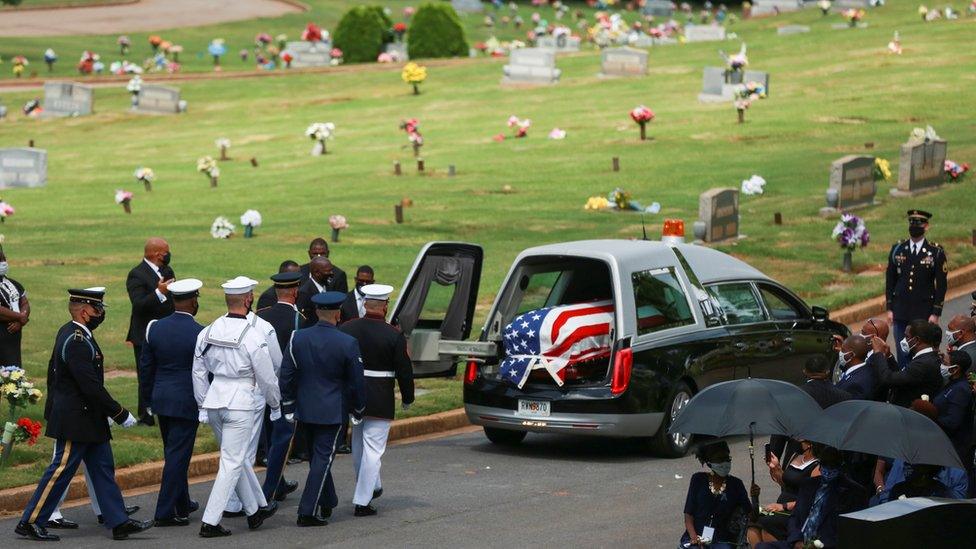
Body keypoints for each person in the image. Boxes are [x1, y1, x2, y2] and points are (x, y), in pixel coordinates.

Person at [16, 288, 153, 542]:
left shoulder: (74, 333)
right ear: (84, 311)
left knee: (102, 469)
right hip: (75, 420)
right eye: (97, 309)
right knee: (60, 471)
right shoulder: (77, 340)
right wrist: (119, 413)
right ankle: (31, 521)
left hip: (89, 420)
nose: (100, 314)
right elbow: (89, 386)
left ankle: (118, 521)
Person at [192, 277, 280, 537]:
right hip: (241, 401)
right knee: (231, 461)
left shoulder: (207, 331)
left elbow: (198, 371)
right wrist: (275, 405)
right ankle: (210, 521)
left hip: (215, 399)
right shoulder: (253, 335)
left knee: (236, 458)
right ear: (248, 299)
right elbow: (266, 377)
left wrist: (202, 404)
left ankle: (255, 511)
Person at [279, 291, 366, 527]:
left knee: (318, 458)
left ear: (317, 312)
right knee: (322, 460)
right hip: (332, 410)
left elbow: (286, 374)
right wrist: (358, 409)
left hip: (306, 409)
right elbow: (356, 381)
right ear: (338, 314)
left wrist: (288, 404)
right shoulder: (347, 343)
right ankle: (307, 511)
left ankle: (328, 499)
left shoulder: (298, 337)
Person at [339, 284, 414, 516]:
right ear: (385, 306)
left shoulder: (347, 328)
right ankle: (362, 501)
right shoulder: (393, 334)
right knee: (373, 450)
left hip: (354, 393)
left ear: (364, 304)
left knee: (359, 446)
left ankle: (372, 486)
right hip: (380, 395)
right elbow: (404, 370)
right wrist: (408, 398)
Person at [140, 278, 204, 527]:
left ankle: (182, 503)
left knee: (173, 452)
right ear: (192, 301)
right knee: (178, 456)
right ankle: (164, 512)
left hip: (161, 398)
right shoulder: (200, 332)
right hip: (186, 401)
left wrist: (148, 399)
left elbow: (146, 367)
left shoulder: (154, 327)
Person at [257, 271, 304, 503]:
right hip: (285, 386)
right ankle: (271, 489)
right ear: (295, 292)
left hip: (259, 385)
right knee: (282, 438)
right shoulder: (299, 320)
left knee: (269, 433)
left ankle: (280, 482)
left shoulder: (259, 315)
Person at [756, 444, 860, 549]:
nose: (828, 473)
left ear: (840, 467)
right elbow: (795, 518)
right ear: (820, 466)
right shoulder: (809, 485)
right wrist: (796, 540)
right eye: (825, 466)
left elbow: (847, 531)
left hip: (824, 544)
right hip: (801, 540)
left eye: (832, 467)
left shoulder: (852, 492)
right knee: (762, 546)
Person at [885, 209, 947, 370]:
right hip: (901, 310)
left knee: (921, 353)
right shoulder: (898, 249)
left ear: (926, 226)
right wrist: (889, 308)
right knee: (902, 352)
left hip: (923, 311)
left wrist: (936, 312)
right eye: (911, 222)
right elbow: (890, 279)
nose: (914, 226)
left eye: (918, 223)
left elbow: (941, 285)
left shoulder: (935, 252)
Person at [126, 237, 175, 425]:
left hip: (166, 331)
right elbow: (138, 305)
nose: (168, 255)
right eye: (166, 251)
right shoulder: (136, 275)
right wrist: (159, 293)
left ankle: (163, 407)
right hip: (144, 334)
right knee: (145, 373)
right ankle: (145, 415)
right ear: (156, 253)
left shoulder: (167, 270)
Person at [679, 440, 751, 548]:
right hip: (695, 537)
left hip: (722, 541)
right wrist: (694, 537)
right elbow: (688, 515)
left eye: (727, 459)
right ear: (709, 462)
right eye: (720, 459)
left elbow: (750, 514)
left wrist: (755, 497)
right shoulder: (698, 480)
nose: (725, 463)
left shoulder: (736, 484)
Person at [748, 440, 819, 546]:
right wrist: (776, 468)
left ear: (810, 443)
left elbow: (813, 500)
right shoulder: (795, 455)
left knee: (768, 523)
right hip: (780, 506)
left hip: (796, 511)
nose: (798, 439)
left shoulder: (818, 466)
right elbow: (786, 485)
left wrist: (784, 506)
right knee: (753, 519)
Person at [873, 319, 943, 407]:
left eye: (907, 337)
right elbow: (903, 377)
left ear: (917, 340)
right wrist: (889, 357)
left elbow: (887, 379)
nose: (904, 340)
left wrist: (878, 353)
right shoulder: (925, 358)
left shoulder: (922, 364)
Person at [933, 351, 973, 466]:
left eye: (944, 363)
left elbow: (952, 421)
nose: (942, 365)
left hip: (954, 449)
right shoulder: (952, 383)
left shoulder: (961, 389)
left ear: (955, 369)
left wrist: (930, 416)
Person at [0, 243, 29, 366]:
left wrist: (20, 320)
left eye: (3, 259)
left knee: (13, 371)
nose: (3, 263)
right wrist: (20, 317)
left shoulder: (13, 283)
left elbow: (25, 303)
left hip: (13, 338)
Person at [298, 257, 340, 328]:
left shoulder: (329, 287)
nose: (332, 273)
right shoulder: (304, 293)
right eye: (328, 271)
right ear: (317, 273)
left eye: (331, 270)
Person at [835, 335, 878, 401]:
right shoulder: (867, 367)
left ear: (851, 355)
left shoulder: (856, 385)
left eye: (843, 350)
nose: (840, 352)